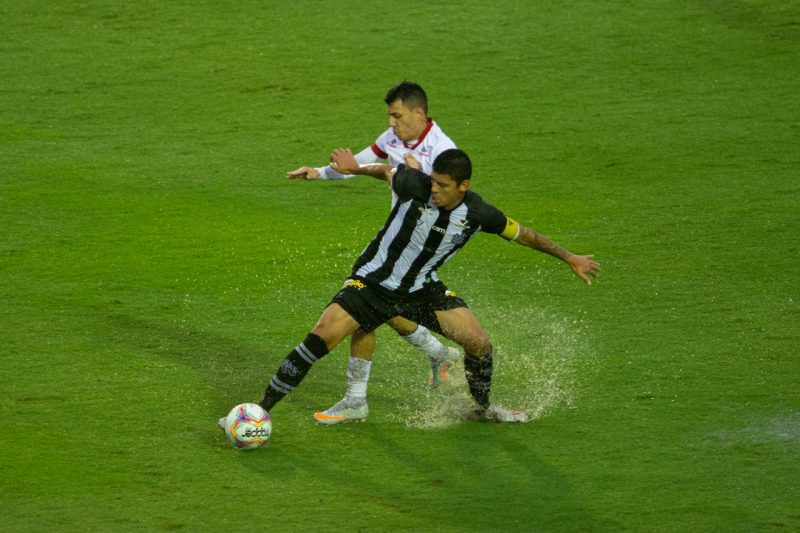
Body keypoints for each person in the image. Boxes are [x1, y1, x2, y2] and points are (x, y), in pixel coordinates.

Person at [220, 148, 600, 428]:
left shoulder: (480, 213)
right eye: (432, 181)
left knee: (479, 343)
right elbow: (386, 172)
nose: (434, 189)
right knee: (320, 338)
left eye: (443, 185)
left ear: (463, 186)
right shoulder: (415, 184)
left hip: (422, 291)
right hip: (372, 283)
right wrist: (354, 169)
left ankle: (482, 409)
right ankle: (259, 411)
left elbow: (525, 235)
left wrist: (569, 258)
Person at [286, 81, 461, 424]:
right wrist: (318, 173)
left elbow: (445, 201)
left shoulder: (443, 152)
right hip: (396, 240)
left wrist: (413, 172)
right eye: (389, 116)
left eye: (397, 116)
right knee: (376, 304)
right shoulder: (391, 138)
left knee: (363, 299)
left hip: (422, 243)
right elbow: (358, 165)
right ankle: (438, 354)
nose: (392, 123)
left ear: (419, 113)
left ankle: (358, 400)